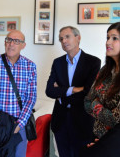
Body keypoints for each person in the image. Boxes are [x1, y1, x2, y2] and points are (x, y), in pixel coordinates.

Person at [46, 26, 101, 157]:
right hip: (61, 122)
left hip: (83, 121)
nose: (63, 41)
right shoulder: (58, 62)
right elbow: (49, 91)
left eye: (67, 36)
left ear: (78, 38)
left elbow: (88, 93)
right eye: (61, 39)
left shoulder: (93, 62)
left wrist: (61, 93)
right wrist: (74, 89)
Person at [0, 30, 37, 157]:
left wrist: (21, 122)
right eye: (8, 40)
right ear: (5, 42)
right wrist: (1, 119)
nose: (11, 44)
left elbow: (31, 97)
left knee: (18, 154)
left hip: (20, 122)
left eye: (17, 41)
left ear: (23, 45)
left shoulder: (30, 66)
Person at [84, 22, 120, 139]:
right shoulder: (106, 69)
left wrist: (96, 103)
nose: (108, 42)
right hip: (97, 137)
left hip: (119, 142)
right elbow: (87, 102)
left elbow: (118, 120)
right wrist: (106, 110)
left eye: (114, 38)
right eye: (107, 37)